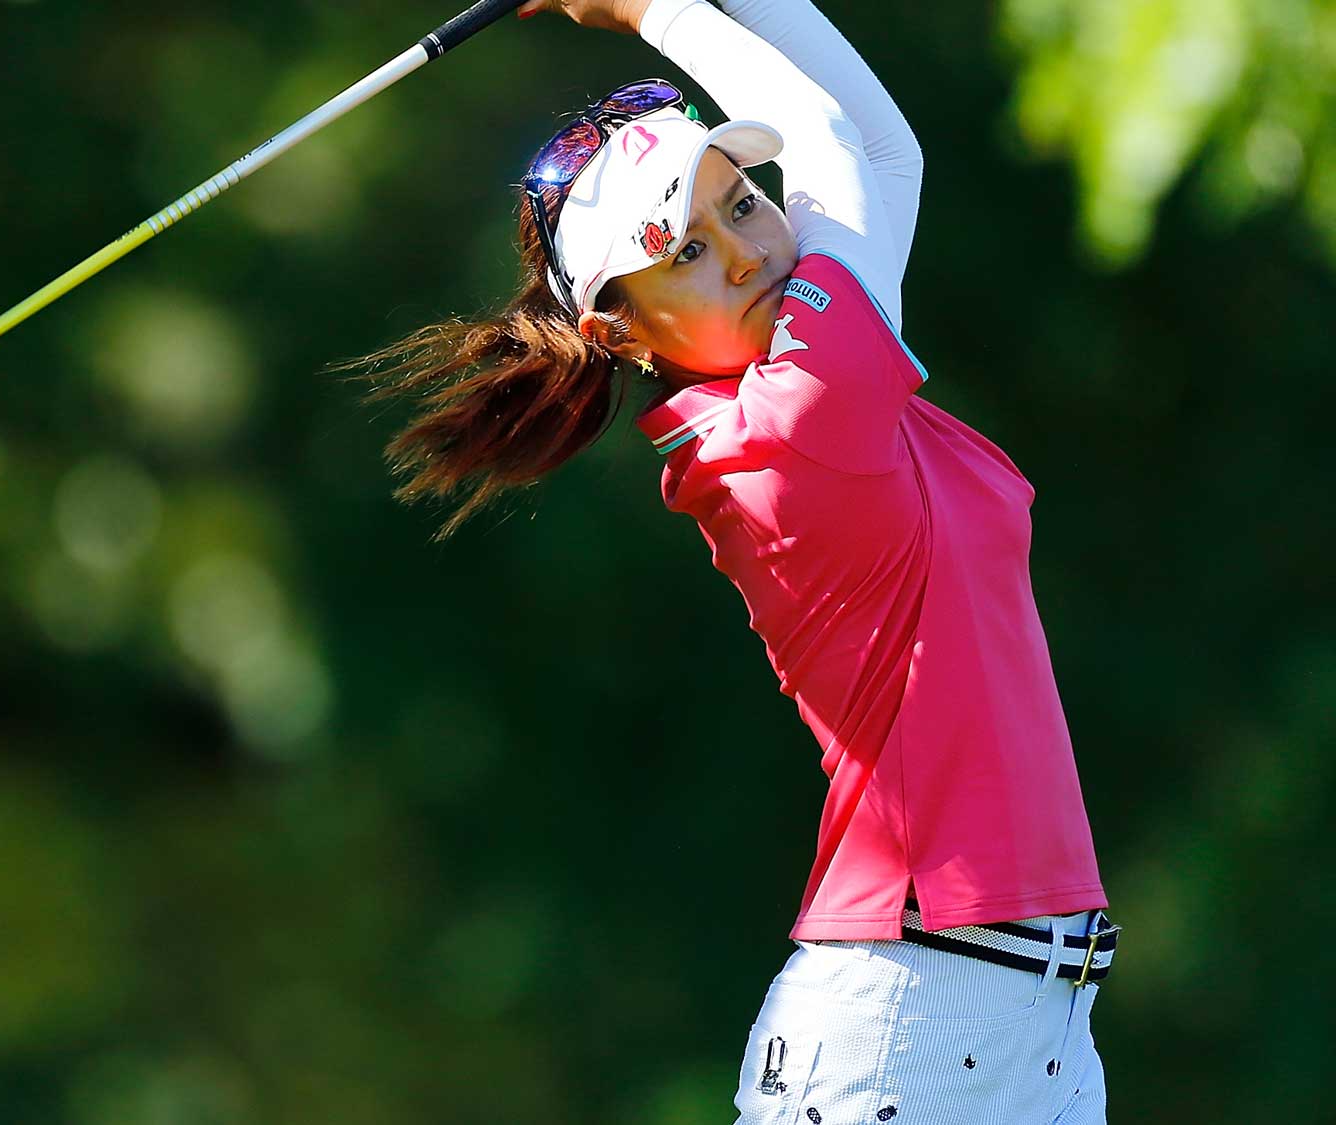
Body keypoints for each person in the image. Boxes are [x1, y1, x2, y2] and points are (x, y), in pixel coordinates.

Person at [342, 1, 1122, 1121]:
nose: (751, 248)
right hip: (913, 1024)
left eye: (744, 201)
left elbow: (874, 147)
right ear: (619, 330)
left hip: (1022, 1023)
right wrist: (643, 8)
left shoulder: (807, 386)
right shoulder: (797, 420)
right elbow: (838, 142)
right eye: (689, 250)